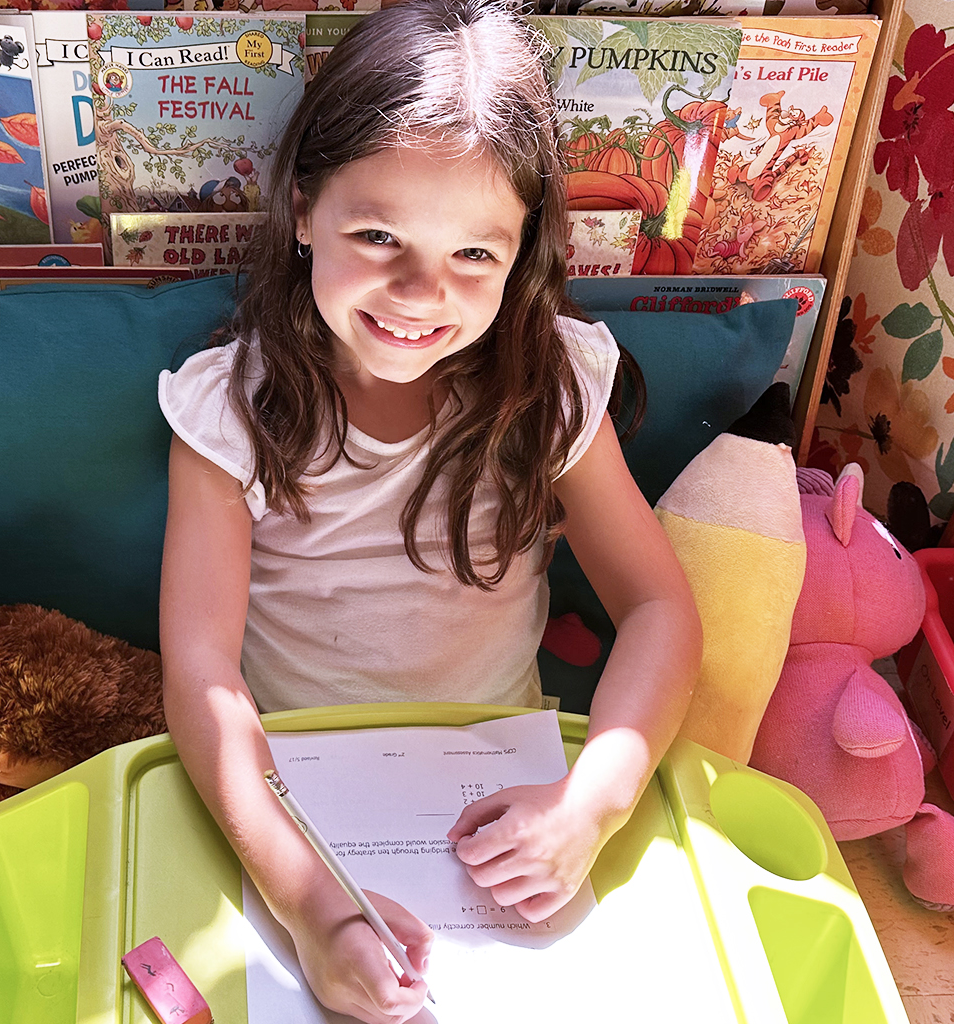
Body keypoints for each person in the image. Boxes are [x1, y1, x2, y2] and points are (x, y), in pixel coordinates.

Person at [157, 1, 702, 1021]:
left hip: (495, 802)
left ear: (521, 252)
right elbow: (201, 676)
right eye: (377, 235)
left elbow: (660, 609)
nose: (418, 292)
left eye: (472, 257)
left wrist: (592, 801)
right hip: (284, 807)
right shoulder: (223, 406)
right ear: (302, 208)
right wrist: (313, 907)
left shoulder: (554, 383)